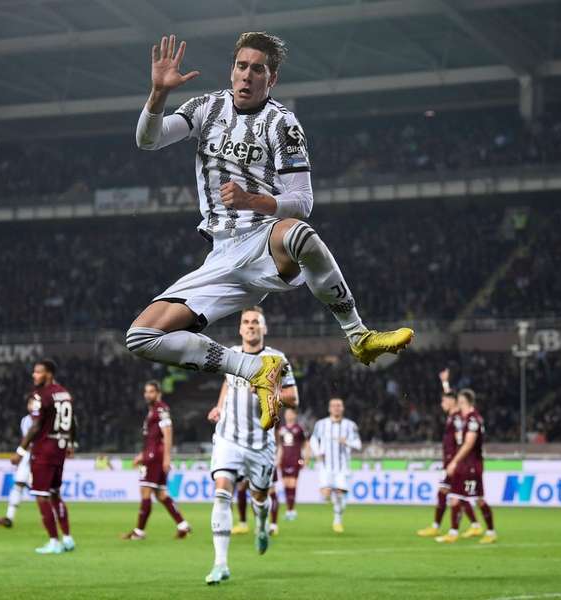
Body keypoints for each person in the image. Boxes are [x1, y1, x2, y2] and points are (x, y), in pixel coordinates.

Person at [127, 31, 413, 433]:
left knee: (299, 234)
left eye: (256, 69)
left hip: (263, 240)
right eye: (241, 66)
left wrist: (252, 202)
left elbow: (302, 199)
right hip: (221, 255)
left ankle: (358, 335)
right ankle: (252, 367)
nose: (246, 76)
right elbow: (148, 139)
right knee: (141, 337)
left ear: (271, 78)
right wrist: (158, 93)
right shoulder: (205, 107)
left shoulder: (283, 124)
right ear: (232, 70)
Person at [204, 306, 298, 584]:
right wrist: (219, 406)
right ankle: (220, 564)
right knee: (222, 493)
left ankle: (261, 525)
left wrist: (266, 386)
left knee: (260, 498)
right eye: (246, 322)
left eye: (255, 322)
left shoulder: (277, 359)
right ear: (240, 328)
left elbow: (293, 398)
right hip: (228, 438)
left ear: (264, 328)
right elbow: (227, 382)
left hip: (260, 443)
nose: (250, 326)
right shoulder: (231, 355)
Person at [11, 359, 76, 554]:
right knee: (55, 493)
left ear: (48, 374)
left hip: (44, 448)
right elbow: (72, 420)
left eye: (38, 372)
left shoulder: (41, 395)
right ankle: (67, 537)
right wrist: (71, 443)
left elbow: (36, 425)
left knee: (41, 496)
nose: (34, 375)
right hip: (60, 447)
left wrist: (20, 451)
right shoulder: (64, 393)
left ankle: (54, 541)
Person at [122, 380, 191, 540]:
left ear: (158, 393)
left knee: (145, 491)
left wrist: (167, 458)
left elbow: (167, 433)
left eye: (151, 391)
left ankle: (139, 531)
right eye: (146, 392)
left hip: (155, 457)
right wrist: (143, 454)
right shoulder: (153, 410)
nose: (148, 395)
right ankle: (183, 525)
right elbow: (152, 438)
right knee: (161, 494)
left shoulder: (161, 409)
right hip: (152, 454)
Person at [417, 369, 479, 537]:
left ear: (453, 402)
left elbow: (453, 398)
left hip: (456, 461)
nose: (441, 403)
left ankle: (443, 528)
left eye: (443, 401)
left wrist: (446, 384)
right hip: (450, 460)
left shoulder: (459, 414)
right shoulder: (452, 415)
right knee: (454, 494)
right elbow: (449, 396)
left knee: (452, 494)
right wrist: (444, 383)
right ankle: (473, 524)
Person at [436, 389, 497, 544]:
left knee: (479, 500)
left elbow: (469, 444)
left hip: (472, 466)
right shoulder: (464, 419)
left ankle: (490, 532)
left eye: (460, 402)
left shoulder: (473, 420)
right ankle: (453, 532)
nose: (458, 405)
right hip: (463, 465)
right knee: (455, 498)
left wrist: (454, 461)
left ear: (466, 402)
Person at [311, 398, 360, 533]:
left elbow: (358, 444)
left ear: (343, 408)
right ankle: (331, 496)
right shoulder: (321, 424)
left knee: (340, 496)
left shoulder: (350, 425)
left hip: (343, 467)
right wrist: (317, 452)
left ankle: (337, 519)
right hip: (326, 466)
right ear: (329, 408)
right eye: (333, 405)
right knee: (326, 494)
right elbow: (313, 439)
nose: (336, 408)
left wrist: (347, 441)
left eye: (339, 405)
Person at [0, 397, 36, 528]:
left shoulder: (45, 419)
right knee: (18, 484)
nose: (31, 405)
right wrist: (22, 454)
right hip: (27, 456)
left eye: (33, 403)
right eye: (29, 403)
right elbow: (27, 440)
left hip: (40, 456)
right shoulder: (25, 420)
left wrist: (20, 454)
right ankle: (9, 518)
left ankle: (52, 517)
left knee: (43, 490)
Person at [277, 406, 309, 521]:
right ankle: (289, 510)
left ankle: (292, 510)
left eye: (291, 413)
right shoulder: (282, 429)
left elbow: (306, 444)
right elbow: (280, 446)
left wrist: (306, 459)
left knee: (292, 484)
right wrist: (278, 459)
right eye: (287, 413)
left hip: (295, 459)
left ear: (295, 415)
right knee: (285, 485)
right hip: (284, 460)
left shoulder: (299, 429)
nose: (289, 415)